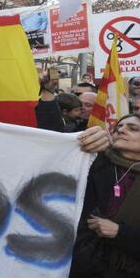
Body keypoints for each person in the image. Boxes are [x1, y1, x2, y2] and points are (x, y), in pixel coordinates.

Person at [69, 113, 140, 277]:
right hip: (82, 266)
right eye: (118, 128)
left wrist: (120, 233)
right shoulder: (94, 163)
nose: (121, 130)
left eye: (133, 128)